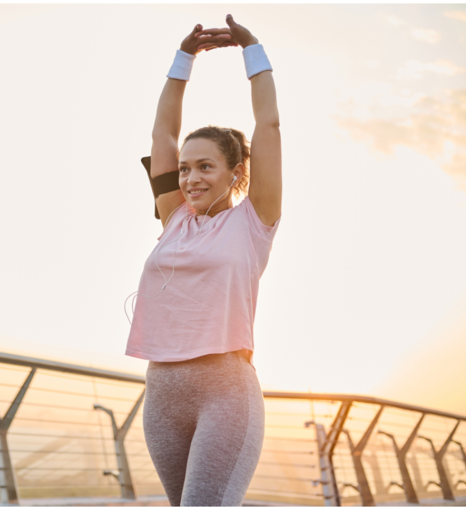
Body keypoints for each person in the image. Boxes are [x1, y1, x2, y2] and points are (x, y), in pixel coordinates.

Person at [124, 14, 282, 507]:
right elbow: (162, 138)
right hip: (163, 394)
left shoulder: (254, 220)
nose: (190, 177)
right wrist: (183, 58)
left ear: (236, 173)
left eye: (205, 167)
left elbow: (269, 124)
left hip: (226, 392)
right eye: (186, 168)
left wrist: (252, 52)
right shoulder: (173, 217)